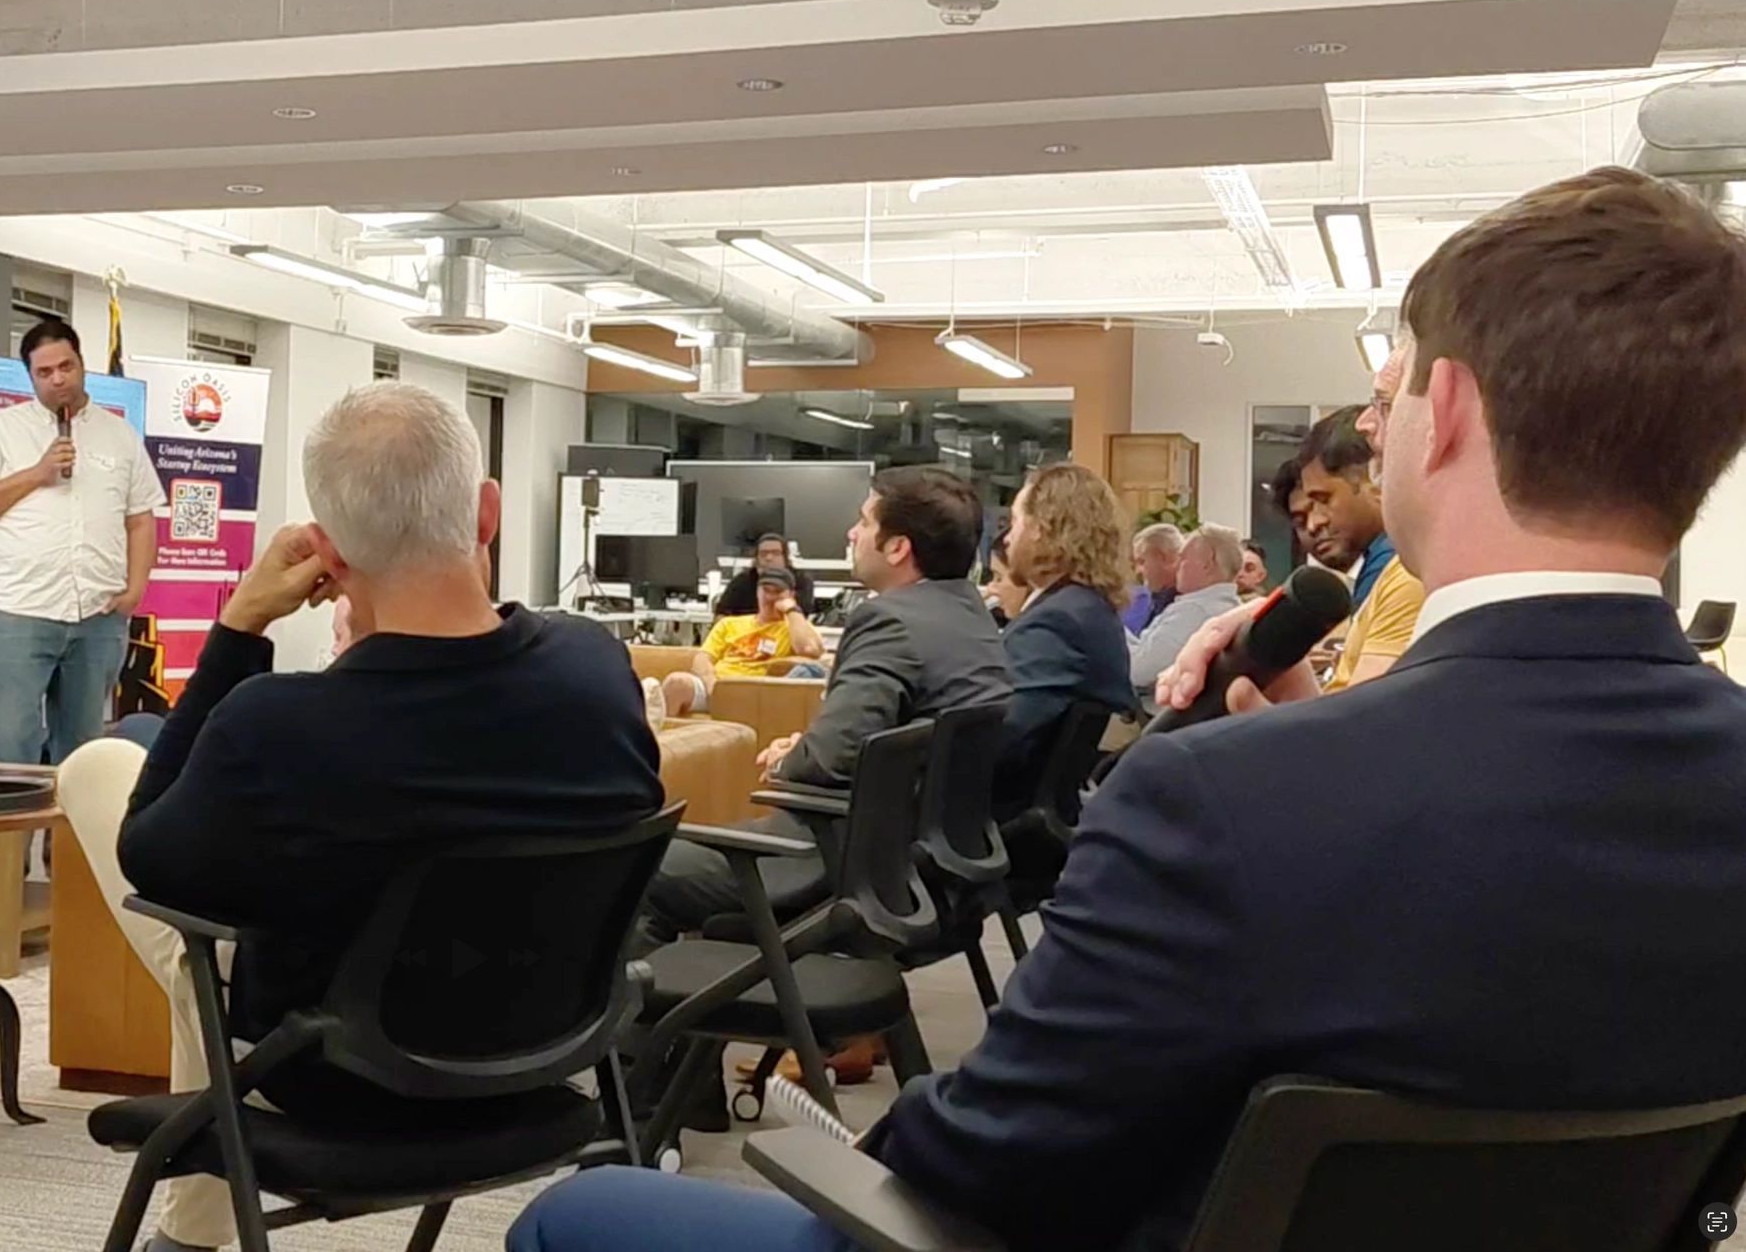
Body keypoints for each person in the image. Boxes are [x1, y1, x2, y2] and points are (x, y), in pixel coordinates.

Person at [509, 165, 1746, 1252]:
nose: (1379, 429)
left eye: (1391, 399)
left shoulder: (1219, 804)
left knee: (576, 1215)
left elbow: (983, 1167)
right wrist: (1305, 732)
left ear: (1454, 413)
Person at [53, 383, 663, 1252]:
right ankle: (192, 1228)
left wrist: (239, 623)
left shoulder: (277, 723)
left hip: (333, 1077)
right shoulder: (597, 671)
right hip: (548, 1057)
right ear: (487, 513)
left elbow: (150, 859)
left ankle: (196, 1226)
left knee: (105, 772)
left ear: (327, 556)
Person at [639, 467, 1011, 951]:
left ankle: (649, 1018)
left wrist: (789, 758)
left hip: (829, 866)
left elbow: (827, 761)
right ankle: (687, 1012)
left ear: (898, 547)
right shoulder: (972, 619)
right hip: (926, 869)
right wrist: (814, 747)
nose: (852, 534)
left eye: (864, 522)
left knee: (631, 869)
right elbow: (869, 742)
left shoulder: (889, 622)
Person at [0, 315, 165, 763]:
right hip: (18, 613)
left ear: (82, 364)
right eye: (44, 373)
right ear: (29, 377)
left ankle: (65, 837)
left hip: (98, 618)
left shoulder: (119, 435)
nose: (57, 380)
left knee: (83, 756)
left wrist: (134, 591)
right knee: (10, 752)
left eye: (65, 366)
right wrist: (37, 473)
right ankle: (11, 836)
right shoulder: (1, 430)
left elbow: (141, 518)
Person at [991, 464, 1138, 818]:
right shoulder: (1087, 608)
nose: (1008, 538)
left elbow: (1002, 736)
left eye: (1016, 523)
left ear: (1043, 530)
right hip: (1044, 809)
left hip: (1000, 818)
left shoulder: (1057, 621)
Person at [1299, 395, 1425, 690]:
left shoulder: (1403, 566)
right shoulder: (1387, 562)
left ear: (1373, 477)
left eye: (1324, 500)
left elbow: (1364, 721)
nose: (1314, 523)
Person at [1128, 524, 1248, 707]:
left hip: (1156, 720)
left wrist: (1106, 625)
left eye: (1183, 559)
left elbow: (1137, 671)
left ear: (1207, 565)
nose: (1176, 566)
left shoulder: (1195, 612)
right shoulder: (1226, 606)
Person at [690, 569, 825, 689]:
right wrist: (713, 687)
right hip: (720, 686)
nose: (770, 597)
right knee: (678, 682)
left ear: (791, 595)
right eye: (766, 590)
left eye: (777, 592)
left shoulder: (796, 627)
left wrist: (792, 610)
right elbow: (702, 659)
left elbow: (809, 650)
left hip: (759, 693)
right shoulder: (728, 624)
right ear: (757, 592)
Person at [712, 532, 818, 617]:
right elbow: (722, 613)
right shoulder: (742, 581)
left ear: (785, 557)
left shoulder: (801, 580)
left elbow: (802, 613)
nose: (769, 558)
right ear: (756, 558)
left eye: (775, 553)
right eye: (763, 554)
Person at [1120, 523, 1183, 634]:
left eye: (1142, 562)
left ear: (1163, 557)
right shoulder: (1157, 598)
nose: (1138, 571)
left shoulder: (1184, 603)